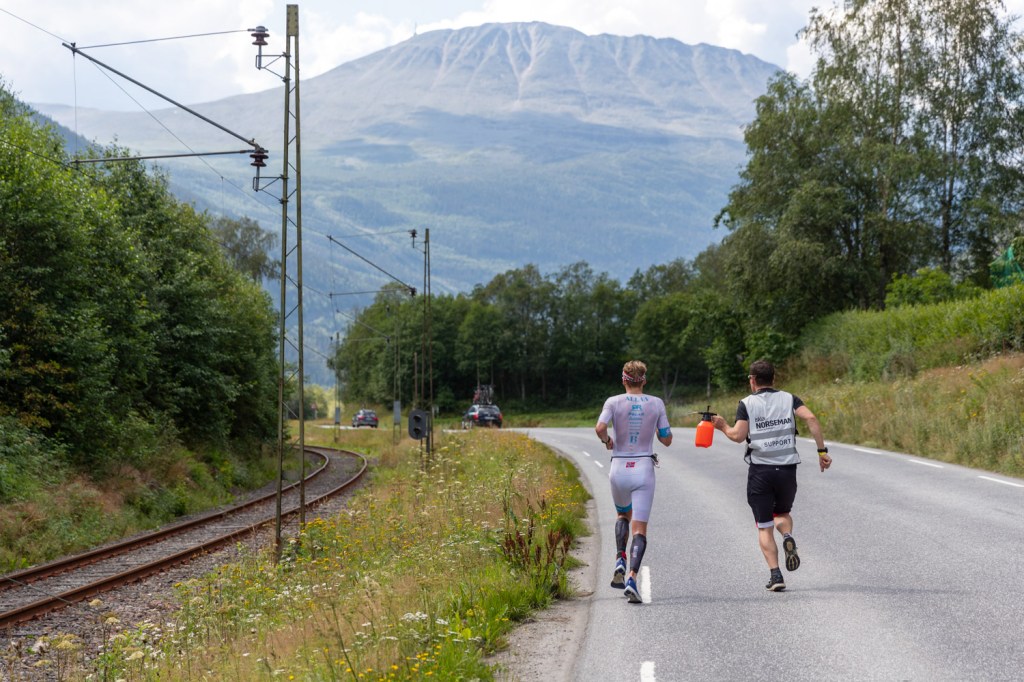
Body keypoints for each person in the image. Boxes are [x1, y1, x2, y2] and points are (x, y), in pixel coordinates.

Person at [712, 359, 832, 592]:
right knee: (782, 513)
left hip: (761, 471)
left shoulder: (747, 403)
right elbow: (811, 418)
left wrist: (723, 426)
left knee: (764, 526)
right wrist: (821, 452)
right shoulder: (789, 399)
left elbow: (738, 436)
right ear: (773, 378)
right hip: (787, 469)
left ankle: (776, 575)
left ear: (752, 380)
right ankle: (786, 535)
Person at [595, 360, 673, 603]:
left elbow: (599, 427)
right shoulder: (656, 403)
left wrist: (607, 441)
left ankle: (620, 557)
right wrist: (658, 430)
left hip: (619, 467)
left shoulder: (613, 401)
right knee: (639, 528)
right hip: (643, 468)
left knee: (622, 515)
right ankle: (631, 579)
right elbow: (667, 439)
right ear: (644, 380)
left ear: (624, 380)